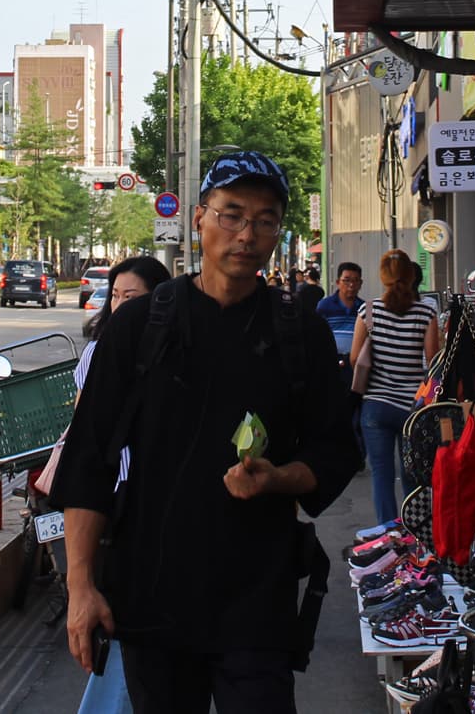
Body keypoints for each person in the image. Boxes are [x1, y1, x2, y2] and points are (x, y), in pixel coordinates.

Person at [53, 151, 358, 713]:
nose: (246, 234)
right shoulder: (140, 328)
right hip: (152, 598)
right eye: (232, 214)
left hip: (257, 602)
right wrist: (81, 586)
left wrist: (278, 478)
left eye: (265, 220)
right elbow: (89, 462)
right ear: (199, 218)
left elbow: (336, 449)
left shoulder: (299, 334)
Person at [68, 256, 168, 714]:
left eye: (134, 297)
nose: (122, 305)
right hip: (117, 501)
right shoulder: (103, 348)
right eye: (116, 296)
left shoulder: (171, 344)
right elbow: (89, 431)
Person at [348, 249, 440, 526]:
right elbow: (433, 359)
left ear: (383, 277)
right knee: (413, 475)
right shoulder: (427, 312)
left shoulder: (369, 311)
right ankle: (415, 534)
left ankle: (388, 534)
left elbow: (355, 358)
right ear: (412, 277)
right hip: (413, 408)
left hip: (375, 406)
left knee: (381, 474)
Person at [316, 262, 365, 358]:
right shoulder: (324, 306)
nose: (351, 285)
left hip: (357, 363)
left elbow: (370, 337)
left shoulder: (366, 309)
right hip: (330, 361)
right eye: (346, 280)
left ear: (360, 284)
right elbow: (316, 336)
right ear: (338, 282)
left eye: (356, 280)